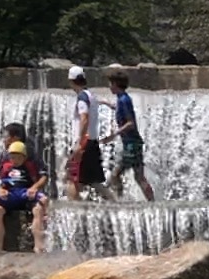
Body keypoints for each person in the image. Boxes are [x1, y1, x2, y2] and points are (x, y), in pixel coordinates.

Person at [0, 139, 49, 252]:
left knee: (38, 209)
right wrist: (0, 189)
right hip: (10, 196)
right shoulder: (6, 167)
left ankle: (38, 246)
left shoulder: (30, 166)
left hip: (25, 195)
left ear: (24, 157)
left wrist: (34, 188)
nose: (14, 160)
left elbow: (43, 177)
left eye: (17, 157)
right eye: (12, 157)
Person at [106, 66, 155, 201]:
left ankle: (119, 200)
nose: (109, 87)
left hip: (131, 145)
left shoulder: (124, 100)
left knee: (116, 175)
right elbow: (121, 110)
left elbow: (130, 123)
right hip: (134, 143)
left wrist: (114, 134)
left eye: (110, 83)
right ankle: (151, 202)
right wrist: (106, 103)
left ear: (116, 84)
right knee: (139, 177)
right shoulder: (123, 98)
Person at [65, 65, 109, 200]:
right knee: (93, 180)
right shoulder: (90, 95)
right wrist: (107, 103)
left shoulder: (82, 98)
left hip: (84, 142)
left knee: (72, 177)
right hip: (92, 141)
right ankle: (115, 202)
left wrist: (79, 143)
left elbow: (84, 119)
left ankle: (73, 211)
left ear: (71, 81)